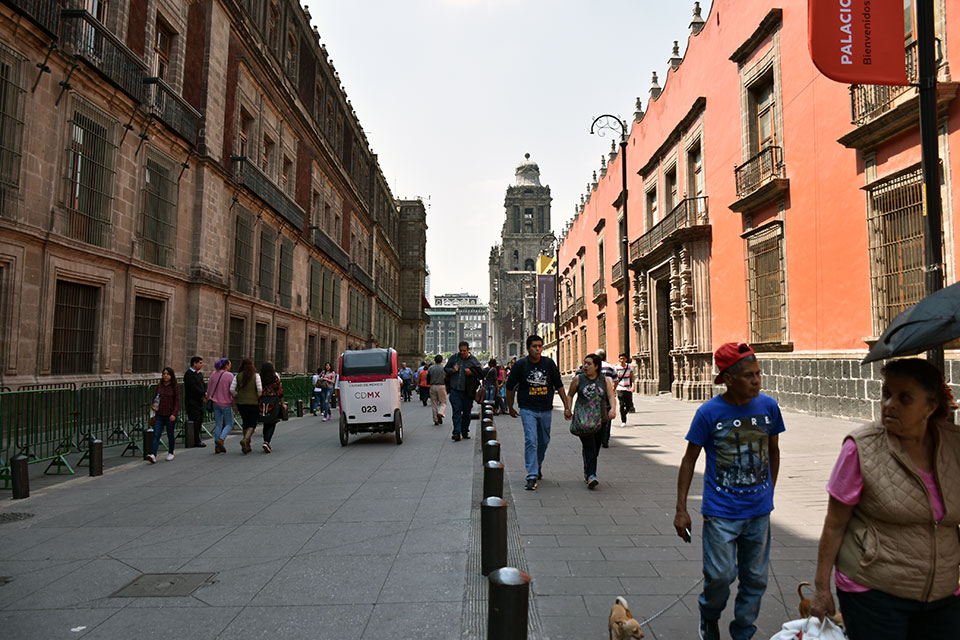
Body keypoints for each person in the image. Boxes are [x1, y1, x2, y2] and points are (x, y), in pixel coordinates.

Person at [809, 358, 960, 639]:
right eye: (886, 394)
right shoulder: (861, 448)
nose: (890, 404)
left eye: (904, 398)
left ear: (930, 406)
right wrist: (821, 589)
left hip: (942, 592)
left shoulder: (954, 444)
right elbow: (835, 524)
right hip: (874, 589)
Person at [673, 342, 784, 640]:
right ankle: (709, 614)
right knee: (720, 576)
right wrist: (681, 509)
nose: (757, 381)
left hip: (758, 512)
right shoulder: (709, 412)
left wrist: (769, 492)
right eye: (749, 375)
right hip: (721, 513)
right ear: (729, 378)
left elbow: (773, 450)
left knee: (756, 579)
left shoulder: (769, 407)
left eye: (758, 374)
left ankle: (743, 631)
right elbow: (688, 460)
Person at [505, 334, 572, 490]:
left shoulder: (548, 364)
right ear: (528, 348)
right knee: (531, 440)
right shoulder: (520, 365)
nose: (537, 349)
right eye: (534, 346)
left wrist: (567, 407)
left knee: (544, 441)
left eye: (540, 346)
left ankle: (537, 464)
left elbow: (559, 385)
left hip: (546, 409)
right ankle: (531, 475)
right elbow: (510, 387)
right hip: (528, 409)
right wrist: (510, 407)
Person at [567, 353, 615, 489]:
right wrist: (568, 409)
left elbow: (611, 396)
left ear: (596, 366)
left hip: (602, 419)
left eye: (589, 364)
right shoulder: (578, 379)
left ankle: (588, 471)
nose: (585, 366)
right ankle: (591, 475)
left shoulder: (604, 380)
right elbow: (570, 394)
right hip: (584, 420)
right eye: (584, 363)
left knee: (596, 448)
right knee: (590, 447)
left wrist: (613, 409)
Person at [444, 341, 483, 441]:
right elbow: (446, 369)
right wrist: (452, 370)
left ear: (468, 350)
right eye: (461, 351)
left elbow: (481, 374)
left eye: (464, 351)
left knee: (466, 413)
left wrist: (471, 372)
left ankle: (465, 430)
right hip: (455, 390)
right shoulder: (454, 358)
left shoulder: (473, 360)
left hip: (467, 392)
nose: (462, 353)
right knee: (456, 411)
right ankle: (456, 432)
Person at [147, 367, 180, 463]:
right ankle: (153, 454)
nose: (165, 376)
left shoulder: (175, 387)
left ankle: (171, 452)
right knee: (156, 434)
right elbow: (155, 397)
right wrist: (154, 405)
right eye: (164, 374)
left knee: (170, 434)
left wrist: (174, 414)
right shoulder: (160, 385)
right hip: (160, 414)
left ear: (171, 376)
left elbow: (177, 402)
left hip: (170, 414)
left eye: (168, 374)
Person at [231, 358, 262, 454]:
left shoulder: (238, 376)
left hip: (241, 403)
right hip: (253, 403)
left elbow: (231, 389)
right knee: (252, 423)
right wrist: (256, 397)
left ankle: (247, 445)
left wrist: (238, 395)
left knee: (245, 422)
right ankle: (246, 439)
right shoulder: (256, 375)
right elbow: (260, 389)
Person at [207, 358, 235, 454]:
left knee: (218, 424)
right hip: (226, 403)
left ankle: (217, 446)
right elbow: (232, 390)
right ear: (226, 365)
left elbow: (209, 389)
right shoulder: (229, 375)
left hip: (215, 403)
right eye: (230, 364)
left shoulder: (213, 375)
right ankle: (221, 439)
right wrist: (235, 403)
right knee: (229, 423)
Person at [258, 361, 285, 453]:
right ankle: (267, 441)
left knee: (266, 421)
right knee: (272, 422)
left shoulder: (260, 378)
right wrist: (283, 403)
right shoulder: (275, 379)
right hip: (273, 401)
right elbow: (280, 392)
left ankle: (266, 440)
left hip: (262, 401)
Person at [182, 356, 208, 446]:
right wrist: (202, 394)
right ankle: (195, 440)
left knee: (199, 420)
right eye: (200, 363)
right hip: (192, 401)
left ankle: (196, 438)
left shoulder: (199, 374)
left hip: (199, 401)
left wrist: (205, 393)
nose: (201, 365)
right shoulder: (189, 374)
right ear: (194, 363)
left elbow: (202, 385)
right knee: (195, 421)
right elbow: (193, 388)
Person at [595, 349, 618, 448]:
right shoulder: (611, 367)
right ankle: (605, 439)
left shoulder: (594, 367)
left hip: (596, 395)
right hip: (608, 394)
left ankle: (598, 437)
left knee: (597, 416)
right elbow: (616, 380)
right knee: (607, 417)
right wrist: (613, 389)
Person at [615, 352, 635, 428]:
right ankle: (623, 420)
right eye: (620, 359)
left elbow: (632, 377)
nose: (622, 360)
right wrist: (613, 389)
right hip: (619, 388)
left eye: (623, 358)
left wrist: (633, 386)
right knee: (622, 403)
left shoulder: (629, 367)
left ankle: (624, 414)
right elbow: (615, 379)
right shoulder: (616, 368)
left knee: (629, 405)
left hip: (627, 388)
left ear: (626, 359)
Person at [427, 354, 447, 425]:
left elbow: (428, 377)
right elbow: (446, 378)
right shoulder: (443, 368)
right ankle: (441, 412)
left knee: (434, 403)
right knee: (443, 402)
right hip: (441, 385)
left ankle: (435, 420)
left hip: (433, 386)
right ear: (441, 360)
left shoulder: (431, 368)